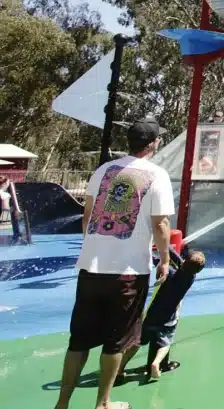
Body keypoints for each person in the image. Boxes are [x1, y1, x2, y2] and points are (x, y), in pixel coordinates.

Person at [55, 117, 174, 409]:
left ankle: (62, 403)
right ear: (154, 143)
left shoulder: (103, 171)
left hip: (91, 268)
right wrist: (165, 259)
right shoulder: (157, 175)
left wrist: (95, 245)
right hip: (128, 273)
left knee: (78, 341)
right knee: (116, 341)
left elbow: (87, 216)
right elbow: (161, 224)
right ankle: (103, 403)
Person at [117, 249, 207, 383]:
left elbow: (159, 261)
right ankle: (157, 363)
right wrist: (167, 249)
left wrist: (157, 248)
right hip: (168, 317)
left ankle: (119, 368)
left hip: (151, 315)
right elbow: (180, 262)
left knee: (137, 343)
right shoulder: (191, 277)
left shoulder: (169, 273)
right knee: (166, 342)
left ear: (184, 262)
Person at [0, 175, 22, 243]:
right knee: (13, 212)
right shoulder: (4, 194)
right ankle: (17, 234)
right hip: (3, 215)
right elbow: (5, 208)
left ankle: (17, 234)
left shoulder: (4, 193)